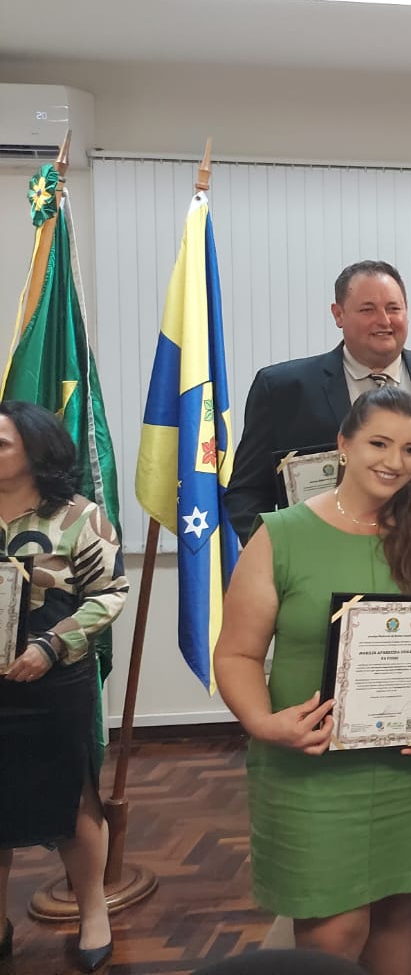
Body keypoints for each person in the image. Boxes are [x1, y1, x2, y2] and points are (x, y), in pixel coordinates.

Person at [214, 387, 411, 975]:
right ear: (343, 446)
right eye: (379, 443)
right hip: (311, 766)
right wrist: (262, 721)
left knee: (399, 914)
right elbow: (237, 655)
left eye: (410, 449)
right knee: (334, 931)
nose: (394, 461)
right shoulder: (281, 534)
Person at [0, 401, 127, 974]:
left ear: (35, 448)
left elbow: (110, 593)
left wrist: (51, 645)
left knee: (74, 802)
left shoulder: (79, 517)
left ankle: (92, 911)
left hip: (52, 683)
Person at [227, 260, 411, 543]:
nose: (384, 320)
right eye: (368, 309)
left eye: (394, 308)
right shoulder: (283, 390)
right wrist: (279, 556)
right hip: (322, 564)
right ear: (338, 314)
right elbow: (246, 494)